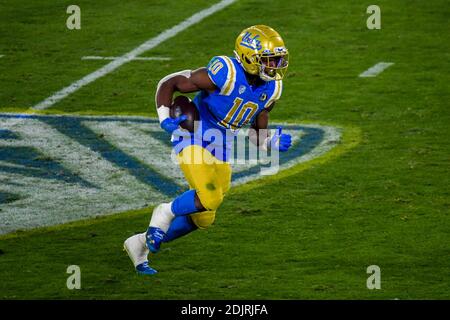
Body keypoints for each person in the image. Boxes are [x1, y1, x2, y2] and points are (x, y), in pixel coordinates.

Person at [124, 25, 292, 275]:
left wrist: (270, 142)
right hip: (192, 135)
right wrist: (163, 117)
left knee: (205, 217)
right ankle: (164, 212)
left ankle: (138, 244)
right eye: (269, 60)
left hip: (221, 146)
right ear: (248, 57)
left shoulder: (272, 89)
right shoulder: (226, 73)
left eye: (278, 59)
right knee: (209, 197)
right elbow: (171, 82)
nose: (276, 66)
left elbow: (257, 134)